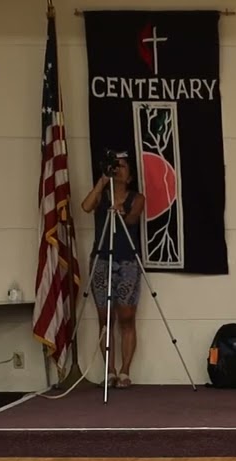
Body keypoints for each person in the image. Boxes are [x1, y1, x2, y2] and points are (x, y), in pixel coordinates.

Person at [81, 152, 145, 388]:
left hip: (127, 261)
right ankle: (109, 370)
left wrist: (120, 210)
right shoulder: (103, 196)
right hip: (101, 260)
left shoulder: (137, 197)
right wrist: (101, 182)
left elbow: (131, 219)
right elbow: (86, 206)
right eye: (115, 166)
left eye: (123, 166)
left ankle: (125, 371)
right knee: (105, 318)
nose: (118, 169)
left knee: (127, 317)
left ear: (130, 176)